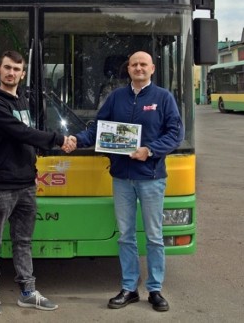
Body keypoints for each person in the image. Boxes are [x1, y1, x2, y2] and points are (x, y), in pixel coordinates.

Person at [69, 51, 184, 312]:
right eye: (134, 64)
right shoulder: (116, 97)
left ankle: (155, 289)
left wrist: (150, 150)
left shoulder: (164, 98)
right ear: (128, 69)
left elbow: (175, 134)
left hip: (151, 179)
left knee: (154, 236)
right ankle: (129, 287)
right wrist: (76, 139)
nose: (139, 68)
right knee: (126, 236)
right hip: (121, 178)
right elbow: (99, 128)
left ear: (152, 68)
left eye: (143, 64)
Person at [0, 50, 75, 316]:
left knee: (23, 241)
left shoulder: (21, 101)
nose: (12, 73)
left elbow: (25, 137)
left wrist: (40, 150)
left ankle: (27, 292)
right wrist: (57, 139)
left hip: (26, 185)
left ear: (23, 74)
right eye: (7, 68)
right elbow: (18, 131)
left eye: (17, 69)